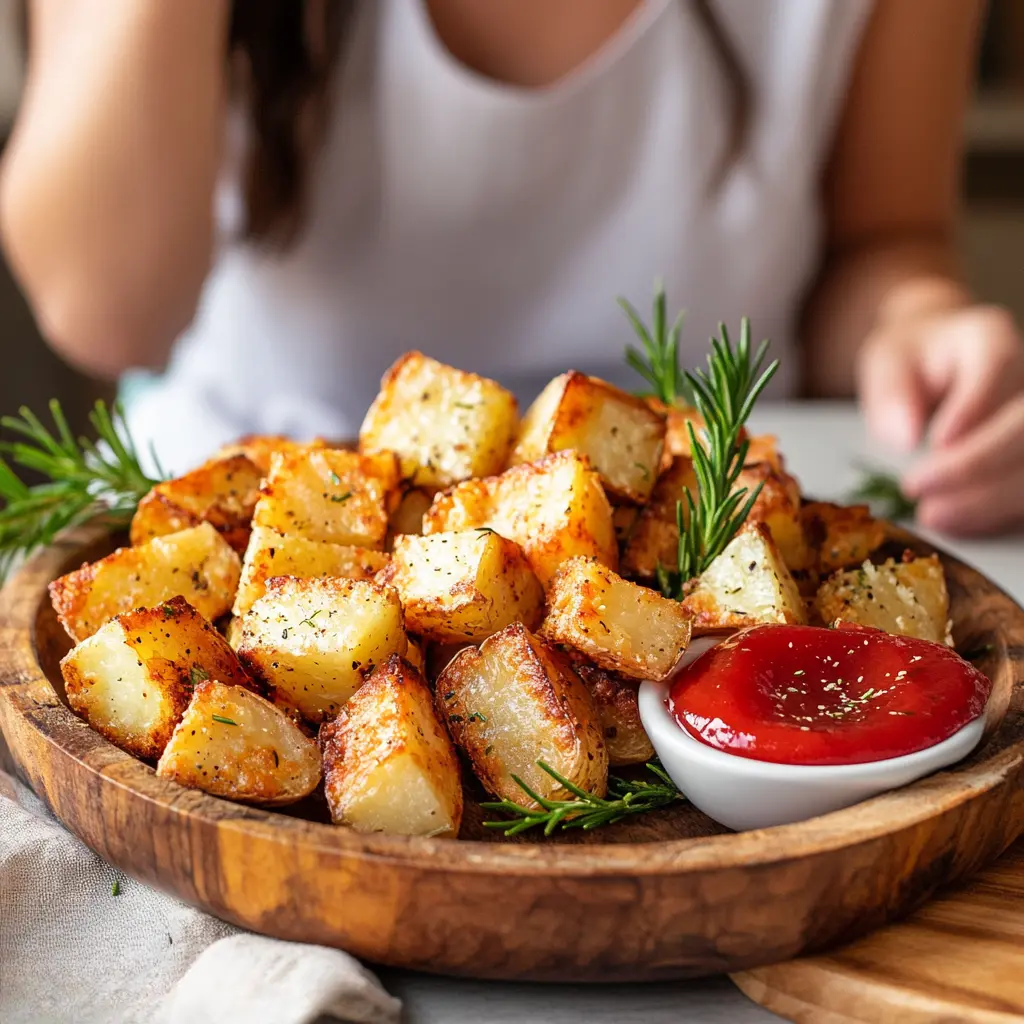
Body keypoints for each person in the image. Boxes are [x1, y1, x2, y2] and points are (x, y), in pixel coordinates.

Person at [1, 0, 1021, 533]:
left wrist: (919, 326)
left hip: (706, 541)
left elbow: (880, 242)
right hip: (229, 554)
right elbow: (105, 309)